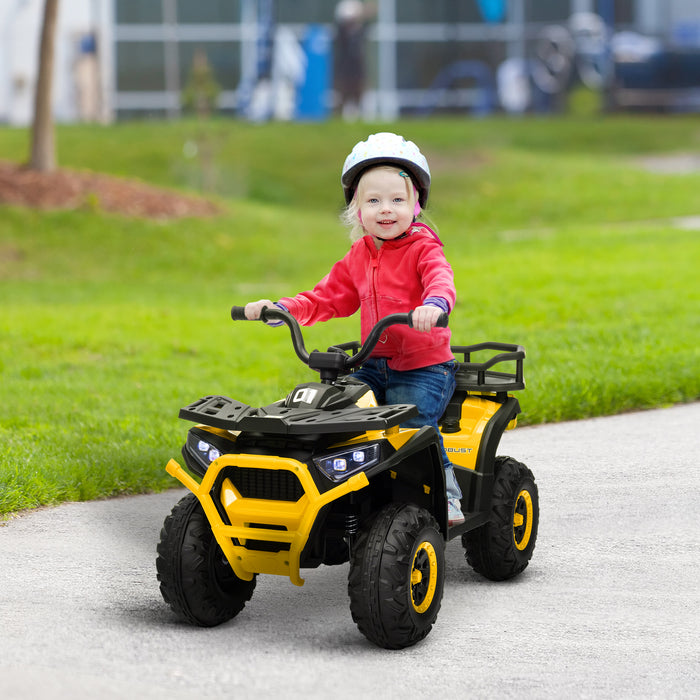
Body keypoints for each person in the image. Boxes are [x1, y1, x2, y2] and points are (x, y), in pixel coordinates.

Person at [244, 132, 464, 526]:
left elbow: (440, 279)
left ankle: (446, 495)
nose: (386, 209)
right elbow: (325, 297)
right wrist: (283, 309)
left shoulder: (423, 248)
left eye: (397, 199)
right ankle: (339, 494)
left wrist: (434, 305)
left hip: (423, 365)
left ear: (415, 205)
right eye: (373, 200)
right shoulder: (359, 255)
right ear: (356, 209)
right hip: (372, 363)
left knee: (412, 428)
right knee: (338, 418)